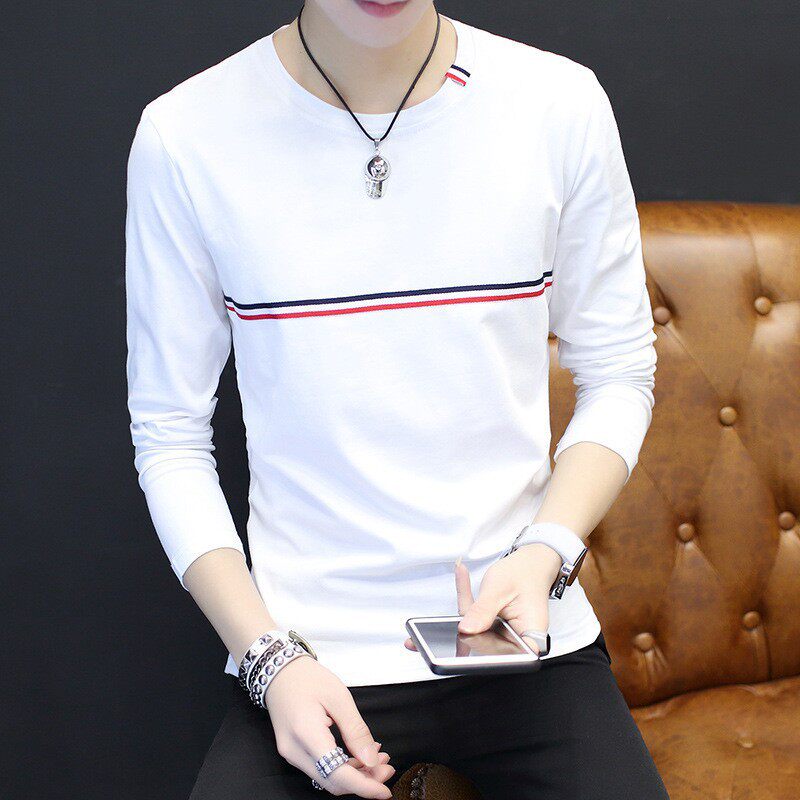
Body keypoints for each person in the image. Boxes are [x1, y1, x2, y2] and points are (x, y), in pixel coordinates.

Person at [124, 1, 670, 798]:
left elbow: (619, 370)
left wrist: (545, 550)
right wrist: (270, 660)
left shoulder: (559, 104)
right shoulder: (185, 134)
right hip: (307, 654)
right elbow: (169, 433)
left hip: (519, 641)